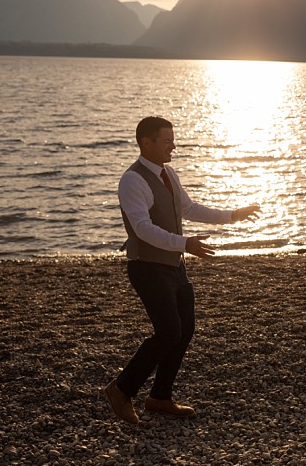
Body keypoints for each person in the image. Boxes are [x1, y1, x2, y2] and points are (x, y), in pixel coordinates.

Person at [104, 116, 261, 424]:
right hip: (146, 267)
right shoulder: (132, 180)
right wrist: (184, 243)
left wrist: (233, 215)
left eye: (172, 140)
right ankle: (120, 390)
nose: (173, 145)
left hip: (174, 265)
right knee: (168, 332)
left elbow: (188, 209)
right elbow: (142, 230)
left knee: (184, 330)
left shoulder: (169, 173)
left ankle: (159, 397)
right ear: (146, 143)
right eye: (167, 141)